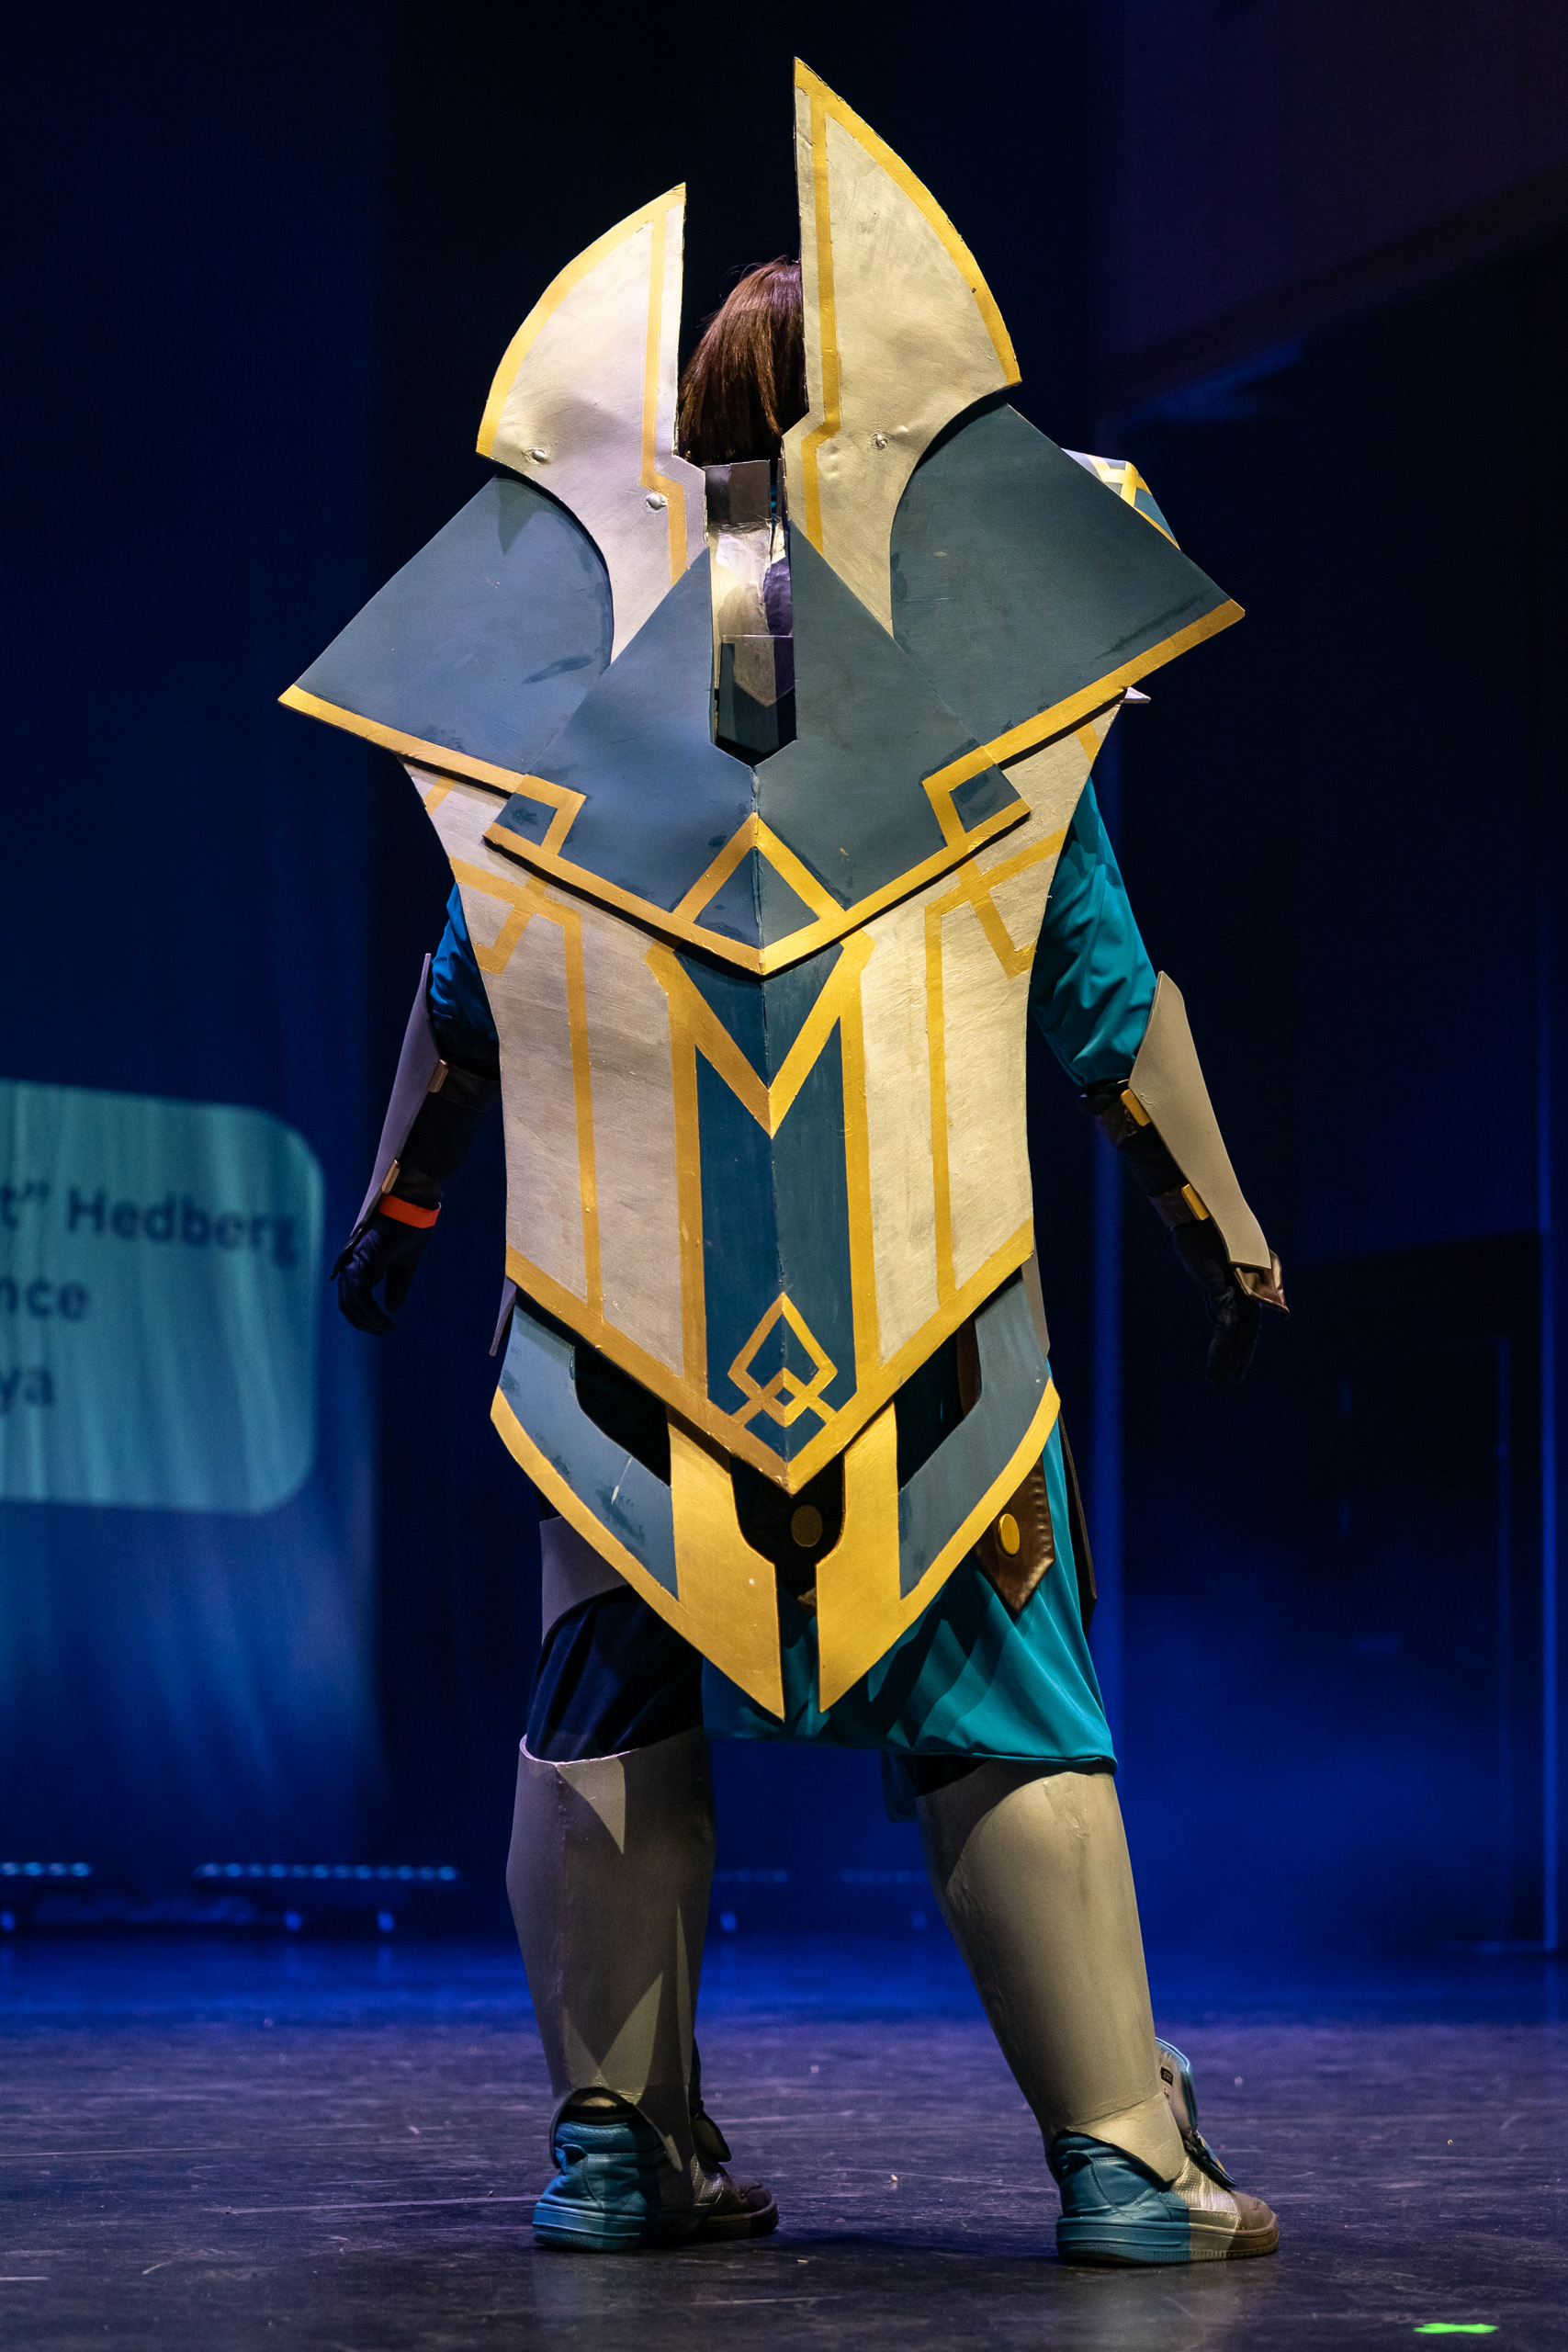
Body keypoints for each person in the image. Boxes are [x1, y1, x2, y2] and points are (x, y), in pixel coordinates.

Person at [295, 64, 1284, 2267]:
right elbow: (1106, 1001)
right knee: (1003, 1704)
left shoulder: (557, 714)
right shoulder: (979, 701)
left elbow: (461, 1001)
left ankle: (614, 2143)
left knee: (605, 1694)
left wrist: (392, 1215)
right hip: (925, 1330)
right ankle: (1121, 2153)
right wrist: (1222, 1230)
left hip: (620, 1348)